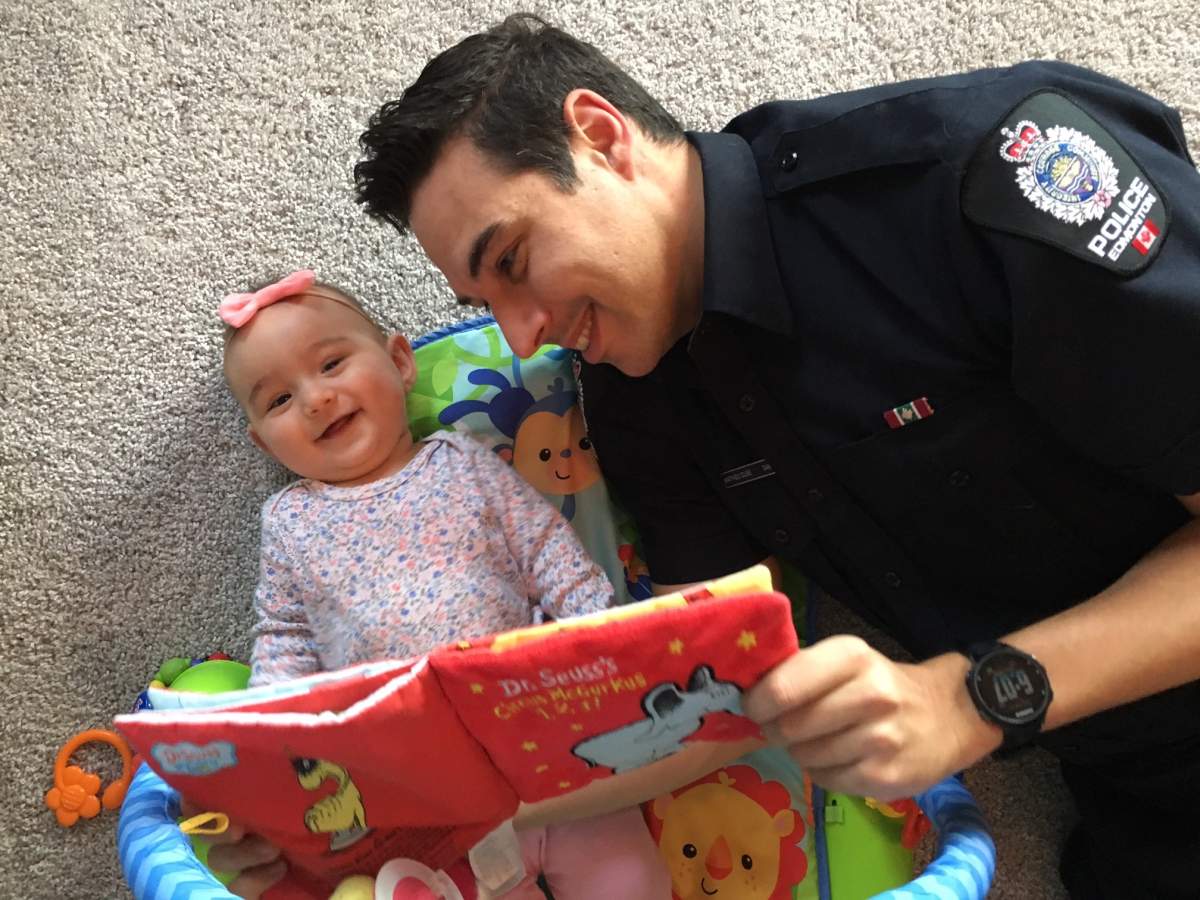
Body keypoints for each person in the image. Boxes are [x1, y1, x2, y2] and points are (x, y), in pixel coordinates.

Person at [345, 14, 1200, 900]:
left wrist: (971, 699)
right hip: (1136, 811)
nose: (520, 333)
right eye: (483, 300)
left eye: (514, 260)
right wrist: (365, 816)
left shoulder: (970, 174)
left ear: (601, 137)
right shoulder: (633, 395)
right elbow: (699, 705)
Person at [214, 269, 670, 900]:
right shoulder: (291, 522)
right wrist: (275, 739)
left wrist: (603, 640)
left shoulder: (463, 462)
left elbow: (548, 554)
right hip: (422, 802)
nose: (316, 399)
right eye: (279, 401)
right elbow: (286, 639)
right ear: (262, 441)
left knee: (631, 882)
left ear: (399, 361)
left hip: (547, 748)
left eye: (332, 363)